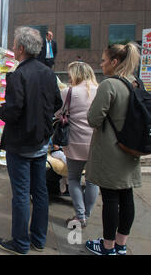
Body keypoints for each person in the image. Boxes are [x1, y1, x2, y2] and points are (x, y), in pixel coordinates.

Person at [0, 27, 63, 255]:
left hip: (21, 144)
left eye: (14, 45)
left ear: (21, 49)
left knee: (22, 195)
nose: (13, 48)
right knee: (40, 192)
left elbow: (13, 111)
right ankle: (39, 239)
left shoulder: (18, 75)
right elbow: (56, 103)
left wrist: (0, 110)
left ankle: (21, 243)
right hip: (41, 142)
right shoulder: (48, 73)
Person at [85, 43, 142, 255]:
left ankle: (107, 247)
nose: (101, 64)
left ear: (114, 62)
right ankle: (121, 244)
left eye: (103, 60)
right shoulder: (136, 83)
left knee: (110, 199)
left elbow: (93, 119)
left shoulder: (109, 85)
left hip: (111, 151)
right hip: (132, 149)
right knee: (127, 197)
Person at [55, 61, 99, 228]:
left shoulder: (68, 92)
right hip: (95, 143)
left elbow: (59, 113)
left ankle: (80, 216)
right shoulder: (100, 90)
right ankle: (87, 214)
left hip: (74, 142)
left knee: (73, 178)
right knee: (92, 181)